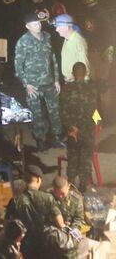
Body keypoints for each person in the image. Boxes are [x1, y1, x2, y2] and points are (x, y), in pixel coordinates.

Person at [14, 13, 63, 151]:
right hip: (33, 84)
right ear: (27, 26)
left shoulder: (47, 36)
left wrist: (57, 79)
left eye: (39, 23)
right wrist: (26, 84)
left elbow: (52, 59)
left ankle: (57, 137)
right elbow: (18, 65)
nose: (38, 25)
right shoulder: (23, 41)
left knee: (55, 111)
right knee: (37, 113)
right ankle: (40, 139)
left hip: (49, 82)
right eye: (35, 24)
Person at [6, 165, 65, 257]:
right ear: (38, 179)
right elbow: (60, 223)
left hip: (23, 245)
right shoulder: (48, 198)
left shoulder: (15, 200)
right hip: (44, 245)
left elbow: (7, 225)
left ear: (25, 180)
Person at [60, 62, 99, 188]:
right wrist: (97, 125)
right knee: (85, 159)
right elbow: (96, 110)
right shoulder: (92, 89)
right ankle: (83, 186)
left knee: (72, 158)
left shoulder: (66, 89)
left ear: (72, 74)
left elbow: (61, 111)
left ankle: (70, 186)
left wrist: (70, 128)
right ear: (86, 73)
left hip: (72, 132)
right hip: (87, 131)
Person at [49, 175, 84, 259]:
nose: (60, 196)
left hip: (70, 236)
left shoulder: (76, 199)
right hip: (53, 237)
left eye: (63, 193)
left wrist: (72, 232)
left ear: (68, 186)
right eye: (58, 194)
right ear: (53, 189)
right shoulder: (48, 198)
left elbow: (78, 218)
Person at [54, 14, 91, 83]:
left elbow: (84, 63)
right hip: (69, 80)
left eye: (58, 26)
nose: (56, 29)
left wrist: (84, 83)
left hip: (78, 82)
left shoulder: (78, 41)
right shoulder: (66, 39)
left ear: (67, 27)